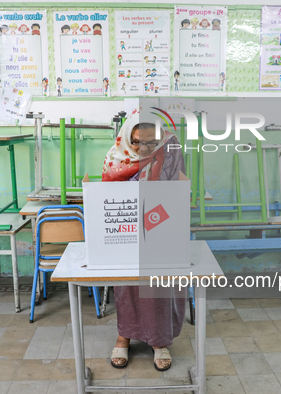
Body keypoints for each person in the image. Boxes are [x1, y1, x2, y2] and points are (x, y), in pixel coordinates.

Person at [102, 109, 186, 372]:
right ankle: (124, 335)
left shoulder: (170, 150)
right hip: (125, 226)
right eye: (137, 142)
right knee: (126, 283)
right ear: (128, 137)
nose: (143, 148)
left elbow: (176, 187)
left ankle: (159, 341)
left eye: (151, 142)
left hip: (160, 222)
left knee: (157, 284)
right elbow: (107, 191)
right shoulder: (117, 155)